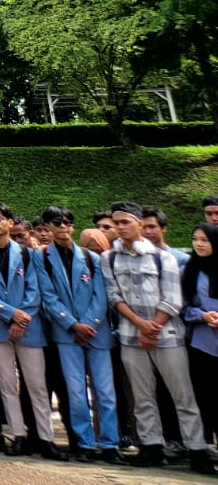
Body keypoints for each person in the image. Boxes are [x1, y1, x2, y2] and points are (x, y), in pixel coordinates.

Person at [101, 200, 212, 473]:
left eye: (125, 222)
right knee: (142, 396)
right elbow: (114, 296)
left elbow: (174, 300)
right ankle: (151, 447)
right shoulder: (110, 258)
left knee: (182, 395)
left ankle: (197, 449)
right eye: (116, 223)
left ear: (139, 224)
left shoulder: (164, 258)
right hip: (131, 336)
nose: (120, 227)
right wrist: (141, 325)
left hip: (168, 336)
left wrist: (153, 327)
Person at [0, 201, 60, 458]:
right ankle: (18, 434)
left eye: (0, 218)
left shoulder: (28, 253)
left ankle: (45, 436)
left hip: (29, 325)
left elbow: (35, 288)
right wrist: (9, 315)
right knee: (7, 383)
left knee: (37, 384)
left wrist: (22, 317)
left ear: (10, 223)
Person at [35, 205, 120, 463]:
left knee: (105, 393)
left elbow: (101, 294)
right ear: (48, 227)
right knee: (75, 393)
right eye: (57, 223)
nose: (63, 227)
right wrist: (73, 324)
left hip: (97, 331)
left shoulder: (91, 258)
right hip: (67, 333)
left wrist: (89, 323)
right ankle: (84, 443)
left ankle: (109, 443)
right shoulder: (43, 258)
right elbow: (48, 297)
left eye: (67, 222)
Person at [183, 223, 218, 449]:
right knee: (205, 397)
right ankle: (204, 446)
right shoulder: (190, 270)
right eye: (196, 239)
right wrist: (203, 316)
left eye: (205, 240)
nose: (199, 244)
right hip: (201, 343)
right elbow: (183, 306)